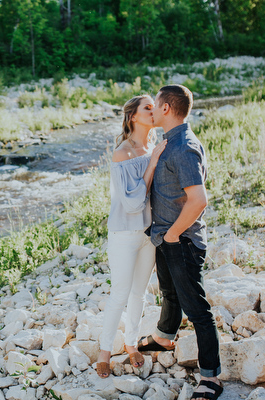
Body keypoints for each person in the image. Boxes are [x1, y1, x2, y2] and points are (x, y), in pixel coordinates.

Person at [138, 84, 223, 400]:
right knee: (169, 292)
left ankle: (211, 378)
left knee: (197, 309)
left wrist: (173, 234)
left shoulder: (183, 146)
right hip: (166, 236)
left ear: (166, 109)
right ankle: (163, 337)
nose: (153, 109)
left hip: (181, 240)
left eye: (156, 104)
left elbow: (199, 199)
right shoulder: (170, 142)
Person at [96, 95, 167, 378]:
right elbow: (133, 203)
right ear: (133, 117)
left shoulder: (154, 146)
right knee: (119, 294)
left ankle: (131, 343)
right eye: (147, 108)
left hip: (148, 233)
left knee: (140, 294)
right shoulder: (122, 153)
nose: (153, 111)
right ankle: (103, 352)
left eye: (154, 107)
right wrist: (152, 165)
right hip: (124, 234)